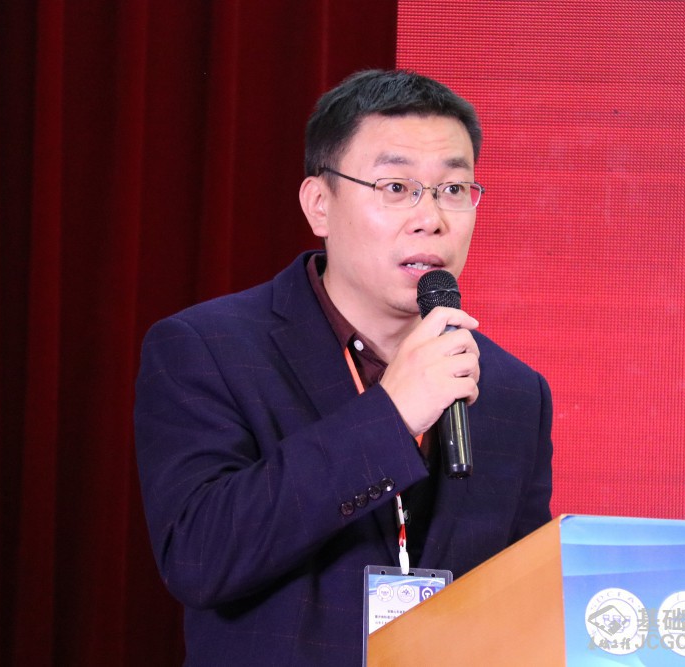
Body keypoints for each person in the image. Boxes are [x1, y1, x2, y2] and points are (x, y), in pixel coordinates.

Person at [134, 69, 553, 666]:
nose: (431, 217)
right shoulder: (208, 349)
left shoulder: (513, 390)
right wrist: (392, 416)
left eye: (453, 189)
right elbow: (199, 557)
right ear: (319, 205)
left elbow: (524, 600)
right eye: (396, 186)